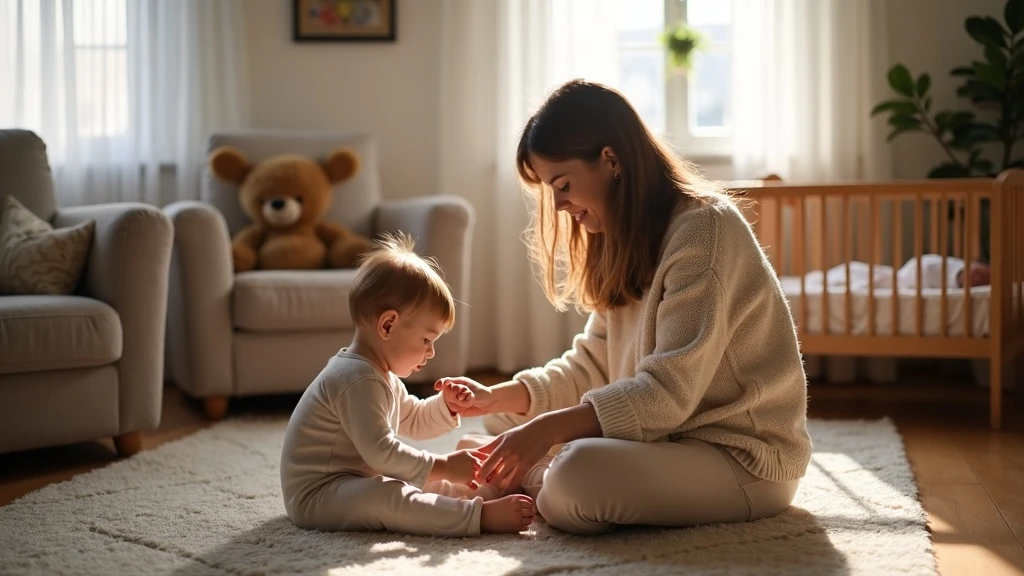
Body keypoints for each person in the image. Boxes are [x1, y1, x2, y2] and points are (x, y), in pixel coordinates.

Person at [439, 79, 813, 536]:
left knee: (574, 475)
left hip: (741, 458)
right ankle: (532, 476)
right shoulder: (621, 236)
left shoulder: (705, 230)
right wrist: (497, 397)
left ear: (611, 160)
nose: (558, 205)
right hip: (669, 443)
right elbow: (593, 365)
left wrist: (544, 433)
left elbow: (666, 395)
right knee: (501, 423)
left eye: (563, 185)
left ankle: (536, 480)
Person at [279, 233, 535, 537]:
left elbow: (412, 418)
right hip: (317, 496)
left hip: (352, 482)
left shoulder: (380, 376)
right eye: (427, 339)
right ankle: (478, 517)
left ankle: (477, 493)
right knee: (390, 495)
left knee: (418, 478)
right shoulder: (355, 379)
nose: (431, 352)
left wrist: (445, 406)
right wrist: (444, 465)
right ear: (388, 325)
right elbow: (381, 453)